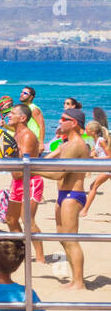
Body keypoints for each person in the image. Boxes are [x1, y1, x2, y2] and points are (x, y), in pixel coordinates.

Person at [40, 108, 90, 290]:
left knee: (71, 240)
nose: (60, 121)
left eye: (64, 119)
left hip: (73, 195)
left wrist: (31, 170)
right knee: (63, 239)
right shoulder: (66, 144)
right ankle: (74, 279)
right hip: (64, 195)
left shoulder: (77, 144)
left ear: (74, 123)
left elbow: (57, 174)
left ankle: (79, 282)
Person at [5, 103, 46, 262]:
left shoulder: (27, 136)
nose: (9, 115)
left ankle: (41, 257)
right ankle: (23, 252)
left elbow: (24, 164)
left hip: (30, 181)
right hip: (17, 181)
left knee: (27, 220)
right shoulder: (15, 135)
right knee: (10, 219)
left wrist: (8, 157)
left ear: (22, 118)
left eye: (13, 113)